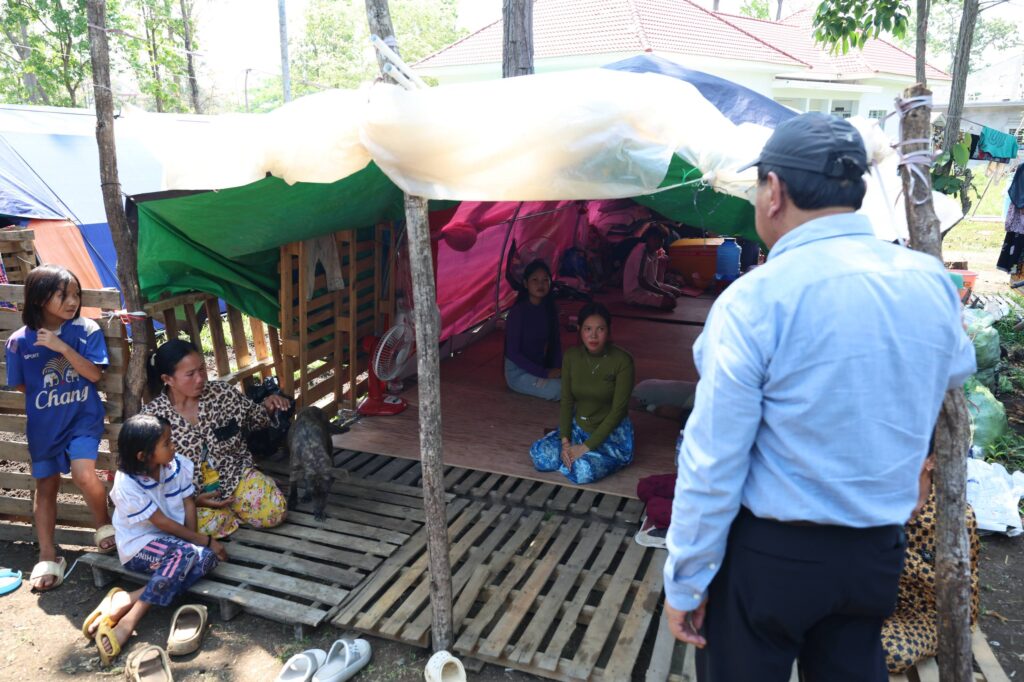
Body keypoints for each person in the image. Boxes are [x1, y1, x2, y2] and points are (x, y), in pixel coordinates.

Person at [662, 112, 976, 681]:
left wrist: (687, 579)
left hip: (772, 558)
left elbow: (713, 461)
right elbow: (956, 367)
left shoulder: (755, 300)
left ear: (774, 191)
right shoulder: (928, 282)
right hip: (874, 555)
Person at [4, 265, 115, 591]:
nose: (72, 301)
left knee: (83, 473)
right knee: (45, 485)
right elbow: (24, 386)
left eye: (76, 294)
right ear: (39, 298)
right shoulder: (18, 342)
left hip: (83, 419)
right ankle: (48, 554)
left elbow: (94, 375)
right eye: (62, 295)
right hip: (45, 427)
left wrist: (62, 347)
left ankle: (103, 526)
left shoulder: (86, 330)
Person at [88, 414, 224, 665]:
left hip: (174, 544)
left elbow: (188, 503)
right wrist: (202, 541)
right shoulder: (127, 484)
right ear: (143, 456)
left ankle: (128, 598)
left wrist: (197, 544)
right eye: (166, 443)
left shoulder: (177, 466)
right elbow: (162, 523)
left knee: (207, 559)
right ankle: (130, 620)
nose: (173, 446)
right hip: (139, 546)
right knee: (189, 554)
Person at [142, 339, 290, 538]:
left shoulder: (222, 394)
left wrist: (269, 405)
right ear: (168, 379)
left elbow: (255, 418)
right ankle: (230, 514)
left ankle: (234, 510)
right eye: (190, 374)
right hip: (189, 497)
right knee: (181, 526)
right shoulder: (152, 418)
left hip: (234, 477)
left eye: (202, 369)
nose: (200, 379)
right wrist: (193, 502)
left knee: (274, 512)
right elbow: (146, 473)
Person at [882, 455, 980, 674]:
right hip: (875, 597)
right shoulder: (877, 500)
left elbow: (958, 592)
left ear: (931, 461)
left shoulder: (955, 518)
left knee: (892, 651)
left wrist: (898, 554)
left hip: (929, 612)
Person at [530, 303, 635, 484]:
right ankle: (569, 458)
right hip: (578, 428)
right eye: (588, 329)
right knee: (540, 456)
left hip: (610, 436)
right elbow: (567, 402)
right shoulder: (572, 356)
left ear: (609, 330)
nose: (593, 335)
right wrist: (566, 443)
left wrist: (584, 448)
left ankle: (586, 459)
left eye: (600, 329)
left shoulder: (623, 361)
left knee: (583, 471)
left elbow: (618, 411)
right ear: (579, 330)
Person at [504, 259, 563, 400]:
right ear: (525, 284)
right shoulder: (518, 312)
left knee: (575, 380)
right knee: (559, 390)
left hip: (539, 367)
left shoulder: (550, 310)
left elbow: (556, 345)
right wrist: (544, 373)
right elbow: (512, 353)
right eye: (535, 280)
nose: (540, 284)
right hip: (518, 372)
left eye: (545, 280)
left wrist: (558, 370)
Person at [623, 224, 680, 310]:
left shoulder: (654, 252)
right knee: (671, 302)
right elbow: (642, 282)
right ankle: (636, 302)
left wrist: (663, 292)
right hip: (636, 292)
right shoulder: (641, 252)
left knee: (676, 292)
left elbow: (653, 280)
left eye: (661, 240)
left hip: (648, 286)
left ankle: (654, 300)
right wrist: (664, 293)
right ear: (648, 239)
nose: (659, 243)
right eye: (655, 239)